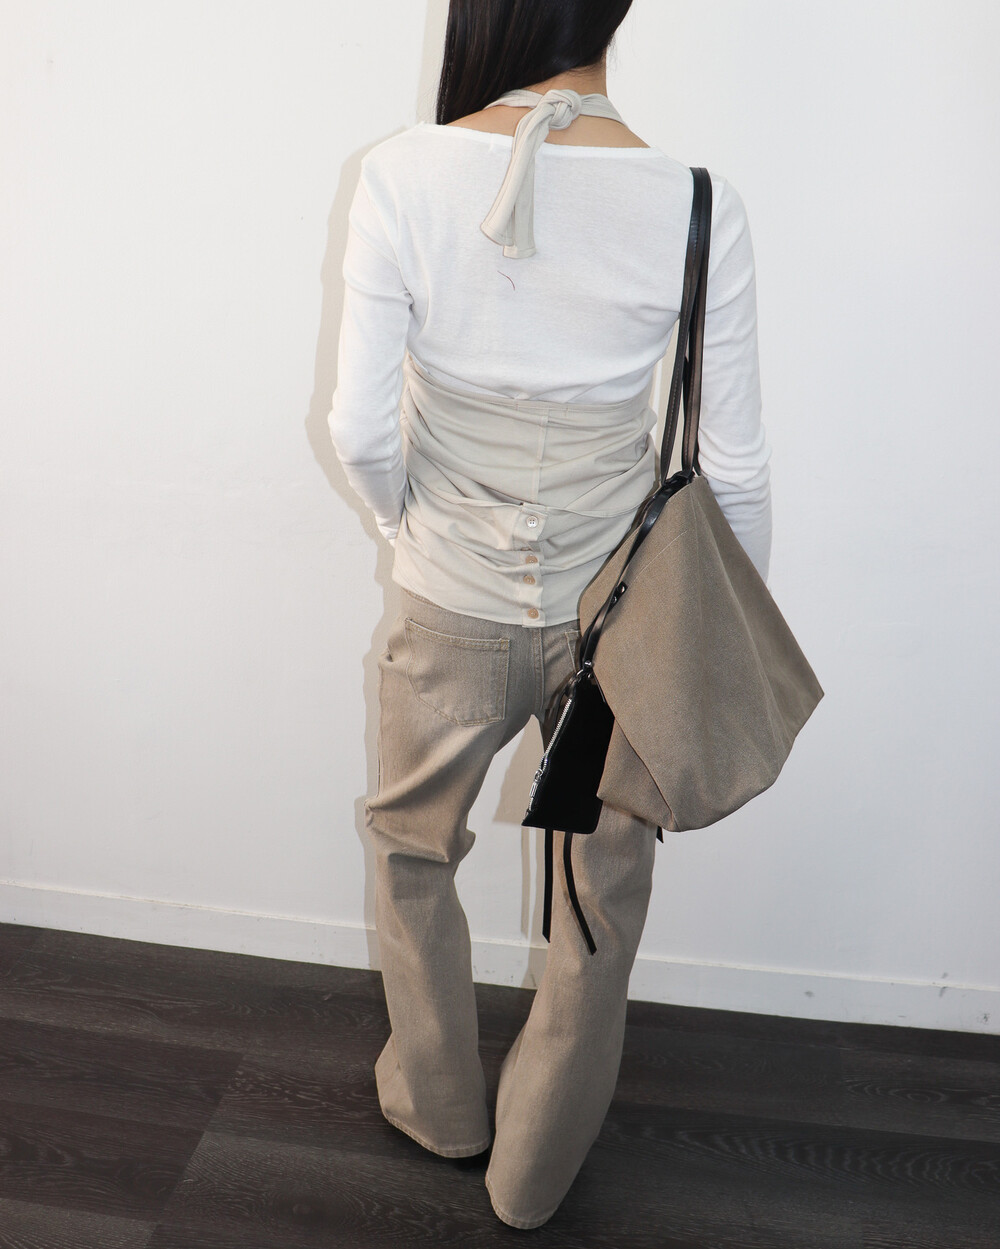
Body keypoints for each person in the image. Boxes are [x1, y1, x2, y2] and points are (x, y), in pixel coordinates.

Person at [327, 0, 771, 1229]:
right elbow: (734, 467)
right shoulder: (696, 202)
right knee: (597, 889)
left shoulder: (401, 173)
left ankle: (439, 1103)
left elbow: (360, 431)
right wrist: (719, 630)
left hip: (445, 605)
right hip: (618, 623)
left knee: (412, 846)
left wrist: (405, 535)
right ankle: (532, 1170)